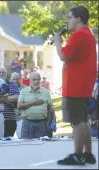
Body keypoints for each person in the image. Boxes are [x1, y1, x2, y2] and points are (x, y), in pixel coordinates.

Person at [53, 6, 97, 165]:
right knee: (84, 120)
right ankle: (88, 154)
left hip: (75, 85)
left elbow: (63, 55)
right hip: (83, 85)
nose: (67, 20)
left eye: (69, 17)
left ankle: (78, 155)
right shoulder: (88, 34)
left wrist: (58, 41)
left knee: (77, 122)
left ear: (78, 19)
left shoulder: (79, 35)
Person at [17, 72, 54, 139]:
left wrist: (48, 123)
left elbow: (50, 109)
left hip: (42, 123)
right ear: (30, 80)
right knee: (27, 146)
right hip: (28, 123)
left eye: (38, 79)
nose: (36, 82)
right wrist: (33, 102)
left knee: (42, 146)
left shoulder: (46, 92)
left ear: (40, 80)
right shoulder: (24, 91)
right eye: (34, 80)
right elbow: (19, 106)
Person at [0, 66, 20, 137]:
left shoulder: (12, 84)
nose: (1, 74)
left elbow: (17, 98)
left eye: (3, 72)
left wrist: (0, 98)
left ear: (6, 74)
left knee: (9, 142)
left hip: (10, 118)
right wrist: (9, 100)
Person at [10, 72, 27, 138]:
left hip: (21, 117)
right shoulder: (7, 87)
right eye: (14, 79)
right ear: (10, 79)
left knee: (21, 137)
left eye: (18, 79)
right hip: (10, 117)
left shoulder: (25, 88)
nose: (16, 81)